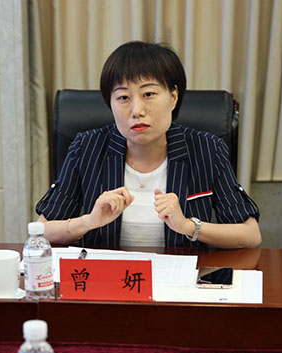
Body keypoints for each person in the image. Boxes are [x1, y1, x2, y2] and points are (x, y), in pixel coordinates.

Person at [36, 41, 261, 248]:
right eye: (123, 97)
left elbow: (250, 235)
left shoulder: (207, 149)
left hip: (179, 275)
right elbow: (41, 232)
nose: (137, 110)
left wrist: (188, 226)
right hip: (107, 276)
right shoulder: (86, 148)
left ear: (173, 97)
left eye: (149, 94)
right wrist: (88, 221)